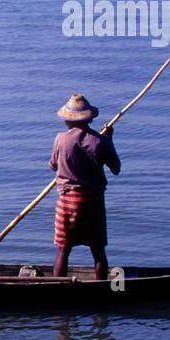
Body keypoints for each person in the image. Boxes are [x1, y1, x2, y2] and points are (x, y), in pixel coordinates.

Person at [49, 94, 121, 280]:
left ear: (68, 121)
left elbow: (54, 165)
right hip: (93, 202)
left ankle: (59, 286)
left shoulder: (60, 139)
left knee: (63, 250)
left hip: (68, 202)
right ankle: (101, 289)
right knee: (98, 250)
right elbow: (116, 168)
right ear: (89, 119)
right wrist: (109, 140)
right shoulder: (99, 141)